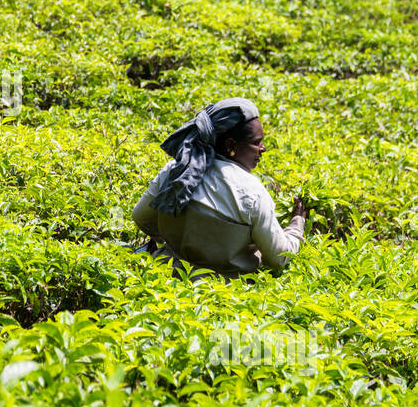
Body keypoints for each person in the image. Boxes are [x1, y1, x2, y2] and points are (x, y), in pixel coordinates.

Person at [132, 97, 308, 278]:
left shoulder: (176, 171)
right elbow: (278, 258)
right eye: (256, 142)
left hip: (164, 278)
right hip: (223, 294)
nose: (262, 148)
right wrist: (297, 226)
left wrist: (173, 241)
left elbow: (140, 217)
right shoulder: (253, 193)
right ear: (231, 145)